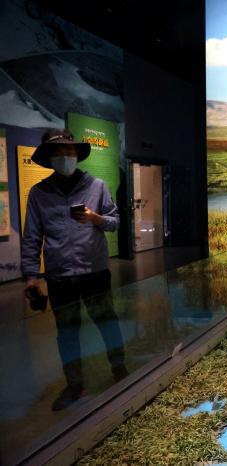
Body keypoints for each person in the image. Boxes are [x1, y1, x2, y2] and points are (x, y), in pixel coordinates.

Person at [21, 128, 127, 411]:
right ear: (49, 159)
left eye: (69, 152)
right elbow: (32, 236)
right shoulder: (39, 193)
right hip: (60, 276)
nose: (64, 157)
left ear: (77, 155)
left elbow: (115, 222)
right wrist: (31, 276)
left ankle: (120, 372)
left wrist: (95, 218)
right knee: (67, 332)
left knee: (107, 323)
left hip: (94, 272)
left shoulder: (97, 186)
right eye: (58, 153)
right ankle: (74, 385)